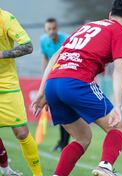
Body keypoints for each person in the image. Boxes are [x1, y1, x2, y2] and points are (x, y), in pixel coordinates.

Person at [31, 0, 122, 176]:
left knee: (83, 137)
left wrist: (41, 91)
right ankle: (106, 166)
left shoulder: (87, 26)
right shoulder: (121, 32)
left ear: (110, 14)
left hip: (53, 84)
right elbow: (121, 68)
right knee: (118, 128)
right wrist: (117, 104)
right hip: (77, 82)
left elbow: (55, 56)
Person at [0, 8, 47, 176]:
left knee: (21, 132)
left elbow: (27, 46)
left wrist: (2, 54)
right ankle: (6, 169)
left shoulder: (6, 19)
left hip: (7, 85)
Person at [38, 17, 70, 151]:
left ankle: (63, 144)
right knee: (61, 113)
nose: (51, 31)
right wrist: (43, 80)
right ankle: (62, 143)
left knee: (67, 113)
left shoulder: (66, 39)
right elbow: (45, 59)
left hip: (67, 79)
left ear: (57, 28)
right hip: (53, 80)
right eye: (49, 29)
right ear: (46, 30)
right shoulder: (43, 40)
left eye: (54, 28)